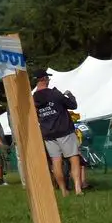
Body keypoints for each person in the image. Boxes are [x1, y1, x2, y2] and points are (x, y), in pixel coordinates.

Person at [32, 69, 83, 197]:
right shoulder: (55, 94)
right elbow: (72, 105)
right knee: (74, 158)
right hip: (63, 130)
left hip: (48, 134)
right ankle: (78, 189)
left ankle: (63, 191)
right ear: (44, 79)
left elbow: (35, 115)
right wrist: (70, 96)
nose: (49, 80)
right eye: (48, 78)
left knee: (56, 162)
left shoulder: (33, 98)